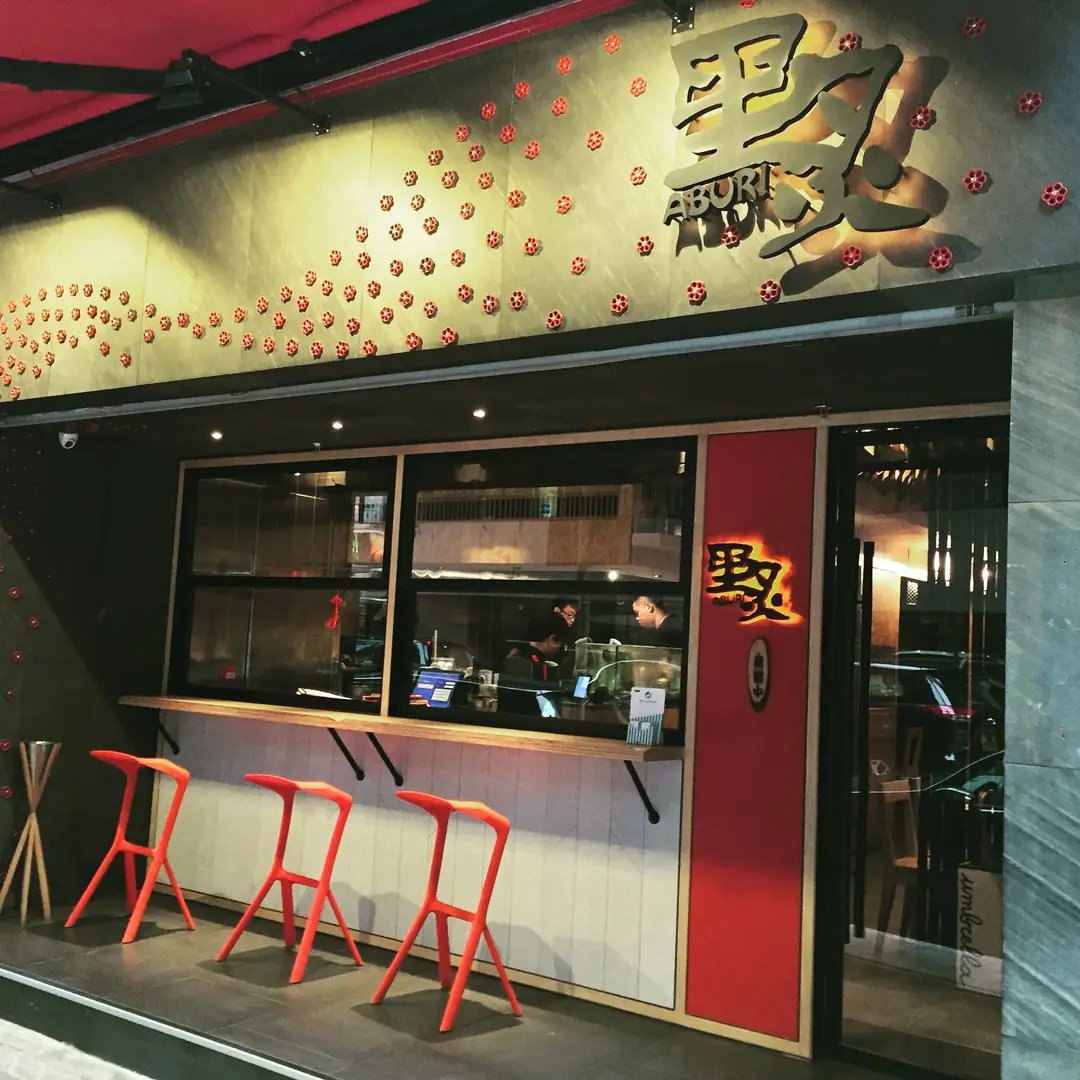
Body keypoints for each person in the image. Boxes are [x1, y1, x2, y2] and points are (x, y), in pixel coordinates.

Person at [502, 615, 567, 685]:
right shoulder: (535, 666)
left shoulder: (516, 655)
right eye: (561, 643)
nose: (559, 647)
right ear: (552, 639)